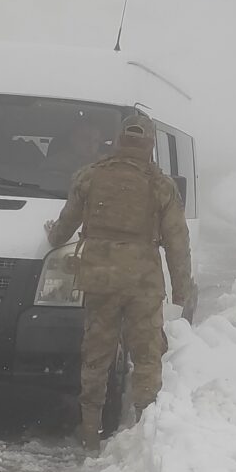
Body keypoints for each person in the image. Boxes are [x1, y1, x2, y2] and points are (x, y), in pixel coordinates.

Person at [46, 112, 195, 447]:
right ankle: (145, 429)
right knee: (146, 355)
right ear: (150, 143)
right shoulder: (160, 185)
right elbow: (177, 242)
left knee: (96, 356)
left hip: (100, 279)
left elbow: (64, 226)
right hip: (143, 281)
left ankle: (90, 433)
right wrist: (182, 289)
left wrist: (54, 236)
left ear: (117, 140)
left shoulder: (90, 176)